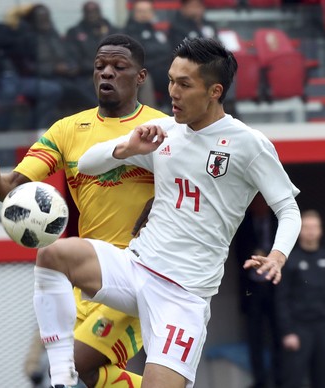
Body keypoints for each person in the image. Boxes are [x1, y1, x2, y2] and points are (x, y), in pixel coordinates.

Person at [32, 37, 301, 387]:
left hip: (183, 294)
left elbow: (288, 209)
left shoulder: (248, 143)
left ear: (214, 91)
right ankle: (61, 374)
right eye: (171, 80)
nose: (172, 91)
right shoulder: (165, 134)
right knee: (53, 254)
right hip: (134, 267)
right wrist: (125, 147)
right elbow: (86, 164)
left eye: (184, 84)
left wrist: (278, 255)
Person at [0, 34, 167, 387]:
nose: (106, 73)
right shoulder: (67, 130)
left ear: (140, 76)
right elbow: (14, 190)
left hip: (141, 270)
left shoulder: (162, 129)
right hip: (89, 271)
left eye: (118, 67)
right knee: (85, 373)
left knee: (74, 361)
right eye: (100, 66)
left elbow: (188, 188)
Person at [0, 0, 62, 131]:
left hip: (16, 78)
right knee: (8, 92)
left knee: (53, 90)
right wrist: (6, 40)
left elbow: (17, 42)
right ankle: (2, 134)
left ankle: (33, 129)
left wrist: (8, 37)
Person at [275, 210, 325, 388]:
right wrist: (287, 331)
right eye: (306, 227)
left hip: (324, 326)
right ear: (299, 230)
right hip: (299, 328)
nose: (311, 231)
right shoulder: (290, 260)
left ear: (321, 230)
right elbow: (281, 298)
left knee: (323, 378)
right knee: (293, 379)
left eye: (315, 227)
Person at [234, 194, 282, 388]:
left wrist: (268, 255)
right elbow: (237, 253)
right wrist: (254, 256)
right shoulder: (244, 222)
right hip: (252, 287)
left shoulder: (276, 221)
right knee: (254, 337)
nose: (260, 205)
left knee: (279, 335)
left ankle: (279, 379)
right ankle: (260, 381)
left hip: (275, 286)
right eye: (256, 201)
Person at [20, 4, 97, 112]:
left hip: (67, 75)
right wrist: (53, 68)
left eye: (46, 17)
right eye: (41, 18)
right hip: (44, 78)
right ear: (34, 20)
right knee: (76, 89)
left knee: (91, 84)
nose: (45, 21)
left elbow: (68, 53)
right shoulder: (29, 39)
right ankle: (102, 113)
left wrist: (72, 66)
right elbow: (27, 66)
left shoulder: (53, 34)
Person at [123, 0, 172, 110]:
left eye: (147, 11)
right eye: (140, 11)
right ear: (133, 13)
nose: (144, 14)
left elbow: (167, 50)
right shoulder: (128, 32)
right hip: (146, 69)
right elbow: (140, 54)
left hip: (163, 69)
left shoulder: (156, 31)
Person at [66, 2, 120, 91]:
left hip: (113, 71)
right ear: (84, 13)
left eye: (94, 12)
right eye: (88, 12)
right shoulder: (74, 32)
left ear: (100, 13)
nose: (92, 15)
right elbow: (75, 59)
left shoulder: (112, 30)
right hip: (86, 75)